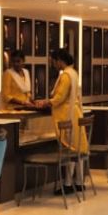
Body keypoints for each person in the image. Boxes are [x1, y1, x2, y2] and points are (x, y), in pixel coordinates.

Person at [38, 48, 88, 191]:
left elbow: (59, 97)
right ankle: (79, 182)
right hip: (75, 113)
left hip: (67, 115)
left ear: (59, 60)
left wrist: (46, 102)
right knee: (76, 149)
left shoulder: (65, 75)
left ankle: (67, 184)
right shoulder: (74, 73)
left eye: (53, 61)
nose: (53, 65)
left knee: (69, 149)